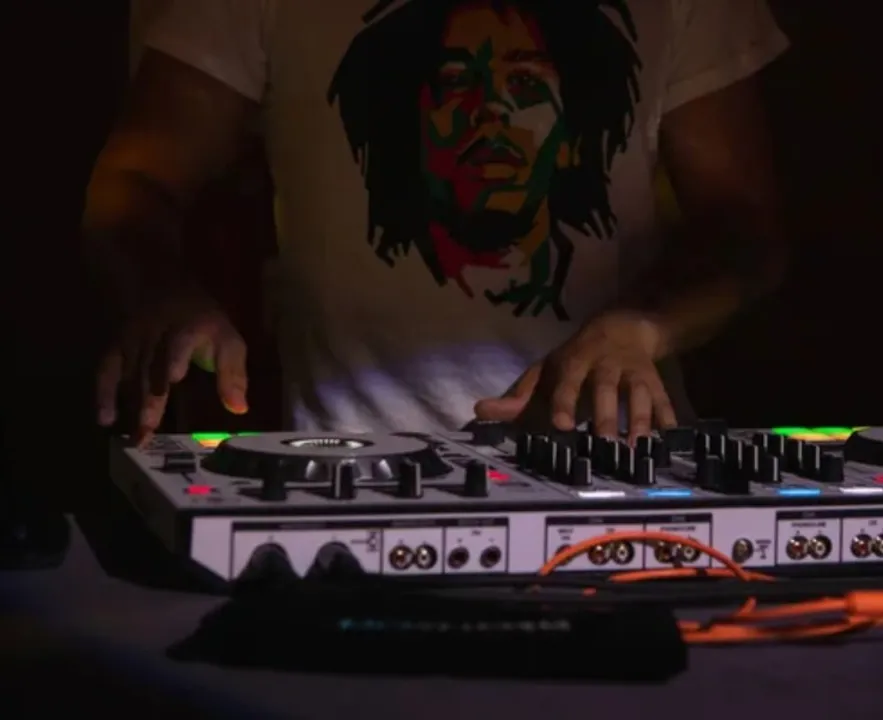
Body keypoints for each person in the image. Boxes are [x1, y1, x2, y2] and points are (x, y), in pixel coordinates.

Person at [86, 0, 789, 444]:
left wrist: (643, 327)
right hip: (353, 475)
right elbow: (136, 179)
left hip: (624, 472)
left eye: (525, 83)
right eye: (454, 84)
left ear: (574, 134)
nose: (490, 114)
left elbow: (744, 224)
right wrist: (162, 290)